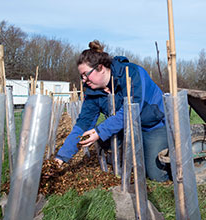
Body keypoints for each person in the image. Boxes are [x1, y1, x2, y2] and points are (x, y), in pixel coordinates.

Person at [55, 40, 170, 182]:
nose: (84, 80)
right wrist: (60, 159)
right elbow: (83, 125)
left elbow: (131, 111)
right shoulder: (92, 92)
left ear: (100, 68)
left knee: (155, 174)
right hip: (125, 129)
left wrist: (99, 132)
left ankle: (171, 152)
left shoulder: (131, 73)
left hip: (153, 125)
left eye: (86, 74)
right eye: (81, 76)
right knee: (114, 152)